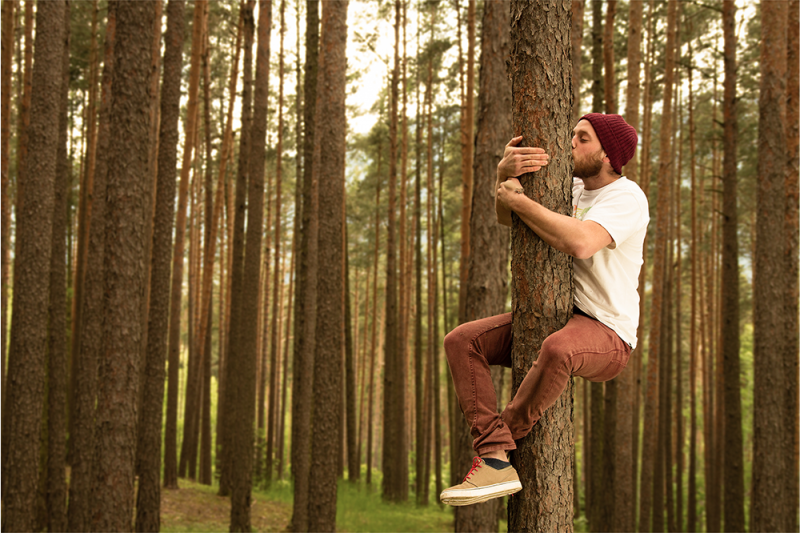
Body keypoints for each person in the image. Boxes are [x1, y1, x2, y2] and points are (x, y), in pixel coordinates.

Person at [439, 113, 648, 507]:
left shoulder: (627, 198)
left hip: (608, 333)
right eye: (573, 134)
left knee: (558, 349)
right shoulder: (564, 188)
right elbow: (508, 218)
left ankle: (494, 453)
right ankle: (496, 457)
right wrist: (504, 178)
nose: (570, 142)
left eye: (582, 138)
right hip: (562, 316)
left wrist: (518, 199)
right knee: (463, 340)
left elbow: (582, 243)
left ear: (607, 155)